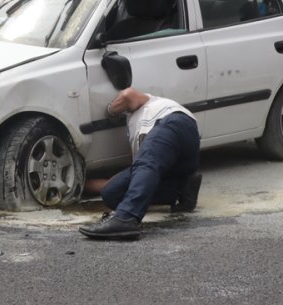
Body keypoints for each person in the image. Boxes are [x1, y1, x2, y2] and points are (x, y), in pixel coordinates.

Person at [79, 87, 202, 240]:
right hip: (178, 163)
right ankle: (182, 188)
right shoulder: (139, 141)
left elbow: (128, 94)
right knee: (111, 193)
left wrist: (110, 111)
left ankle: (126, 218)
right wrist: (80, 186)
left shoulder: (147, 105)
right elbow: (135, 180)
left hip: (173, 123)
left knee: (146, 165)